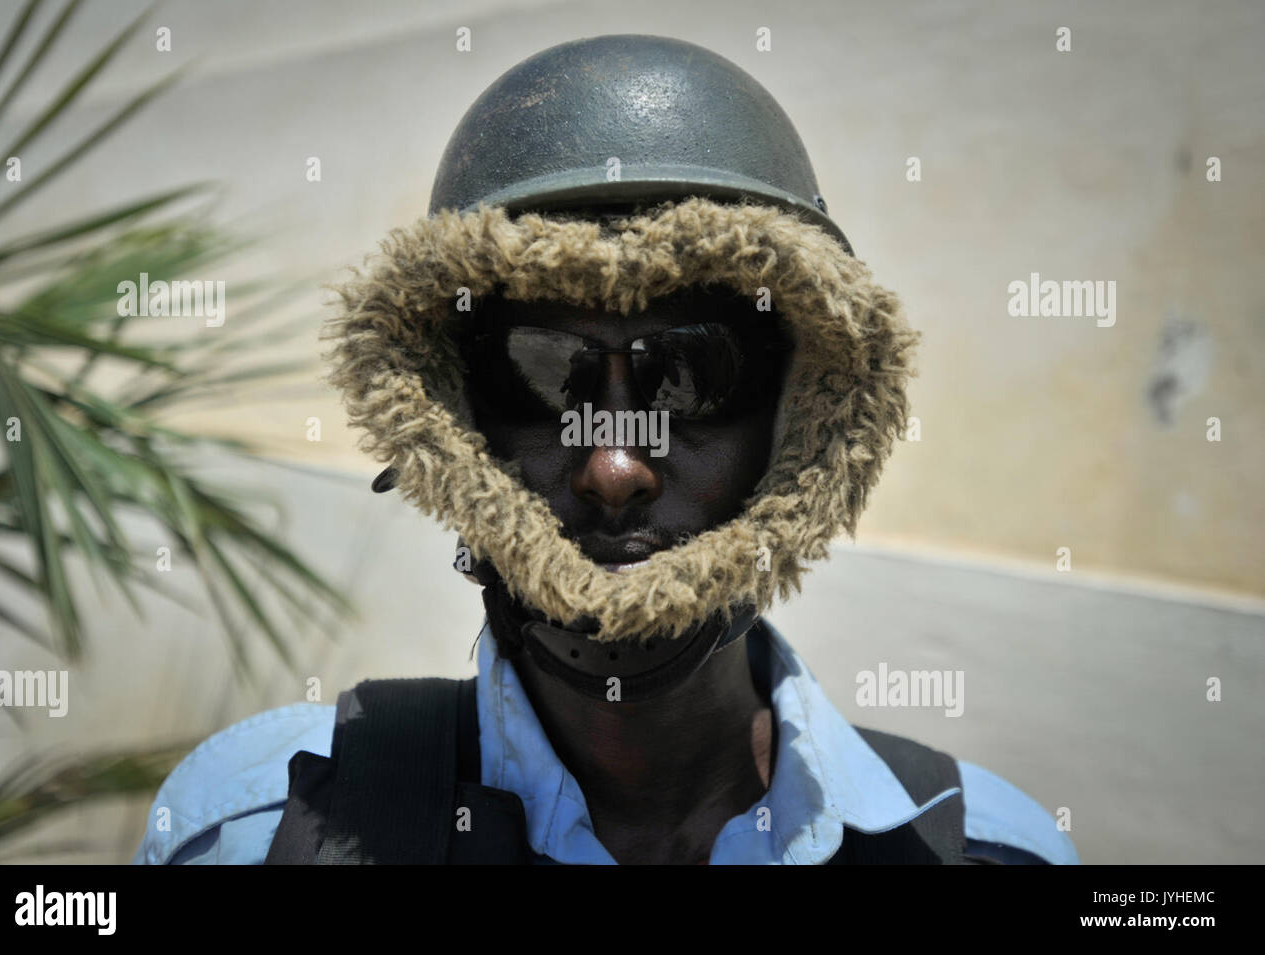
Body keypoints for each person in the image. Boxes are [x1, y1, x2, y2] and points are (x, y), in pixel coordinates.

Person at [132, 34, 1079, 865]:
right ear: (454, 422)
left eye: (693, 375)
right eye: (544, 376)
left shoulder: (989, 849)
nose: (614, 467)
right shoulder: (255, 830)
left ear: (801, 428)